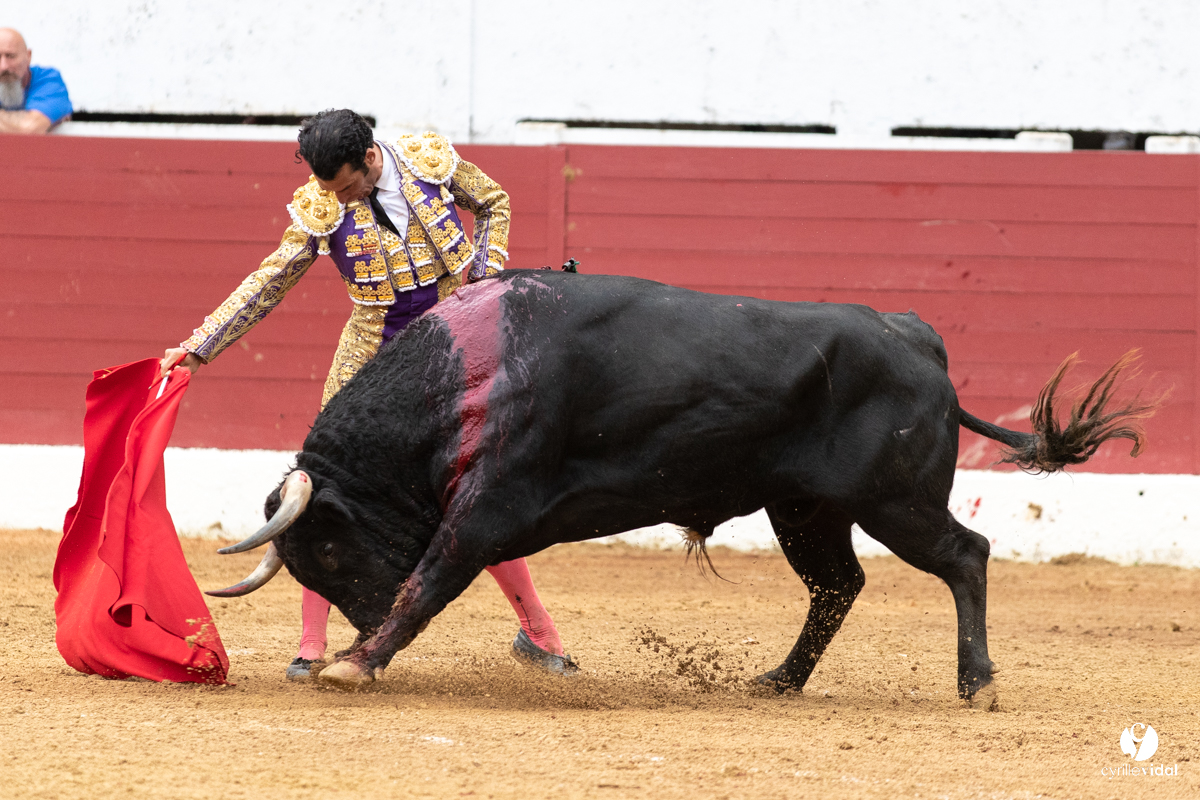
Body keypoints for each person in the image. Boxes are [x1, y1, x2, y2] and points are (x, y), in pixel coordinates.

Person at [160, 109, 575, 680]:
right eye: (331, 189)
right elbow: (270, 278)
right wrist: (200, 345)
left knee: (478, 487)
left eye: (348, 186)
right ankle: (311, 645)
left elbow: (494, 201)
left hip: (456, 348)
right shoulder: (322, 202)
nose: (341, 199)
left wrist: (485, 271)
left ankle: (539, 632)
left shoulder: (426, 161)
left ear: (370, 157)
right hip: (371, 356)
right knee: (324, 489)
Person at [0, 28, 72, 134]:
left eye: (11, 56)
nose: (4, 66)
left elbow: (30, 129)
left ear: (28, 56)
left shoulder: (48, 81)